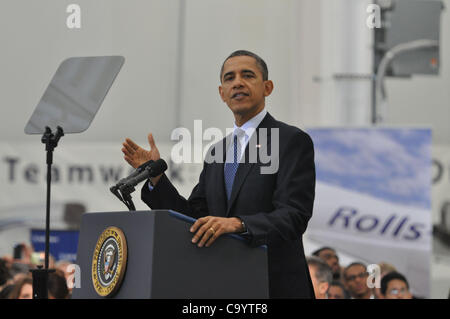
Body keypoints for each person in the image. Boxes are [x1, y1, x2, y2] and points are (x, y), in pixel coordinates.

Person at [122, 50, 316, 298]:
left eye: (248, 75)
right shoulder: (218, 151)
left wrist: (238, 224)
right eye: (229, 78)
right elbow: (194, 218)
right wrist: (155, 176)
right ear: (222, 93)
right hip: (224, 286)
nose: (237, 83)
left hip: (274, 287)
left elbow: (294, 216)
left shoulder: (290, 140)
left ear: (267, 87)